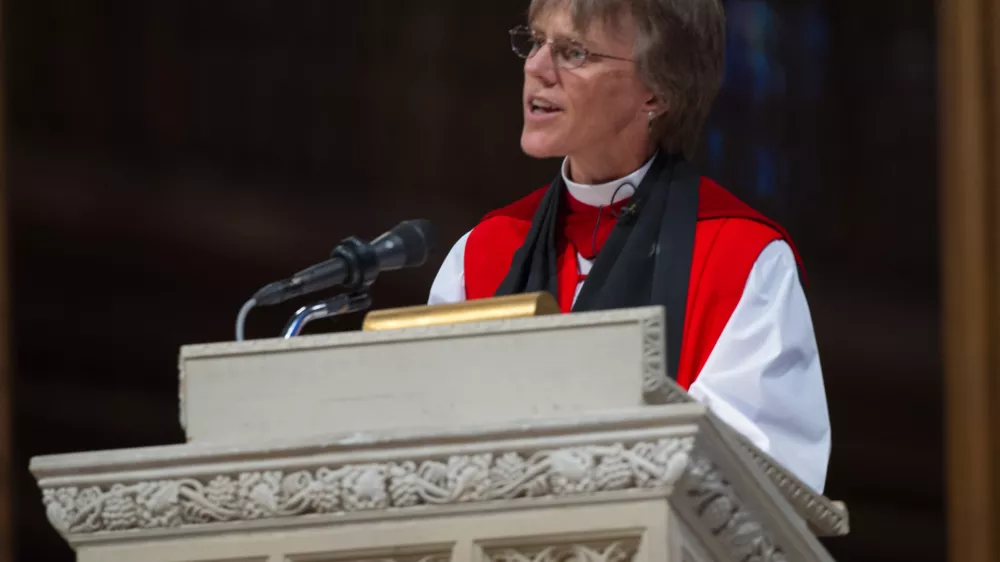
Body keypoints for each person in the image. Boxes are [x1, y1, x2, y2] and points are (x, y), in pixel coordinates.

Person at [428, 0, 830, 494]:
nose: (536, 67)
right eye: (535, 42)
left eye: (573, 52)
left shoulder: (742, 259)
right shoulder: (481, 253)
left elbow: (762, 481)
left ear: (658, 92)